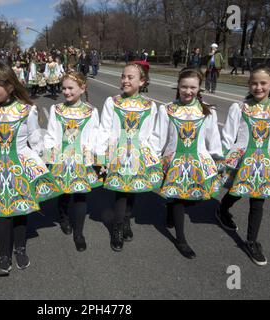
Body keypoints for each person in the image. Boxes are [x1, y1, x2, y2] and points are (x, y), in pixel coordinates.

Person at [0, 64, 62, 277]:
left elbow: (35, 139)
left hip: (20, 166)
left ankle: (20, 248)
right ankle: (4, 257)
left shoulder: (26, 110)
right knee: (1, 214)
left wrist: (37, 164)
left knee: (20, 210)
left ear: (10, 86)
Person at [217, 64, 270, 266]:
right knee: (237, 191)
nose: (258, 87)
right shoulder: (239, 108)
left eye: (263, 83)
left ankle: (251, 241)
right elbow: (228, 136)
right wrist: (222, 159)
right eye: (254, 83)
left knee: (258, 201)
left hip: (264, 161)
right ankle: (222, 210)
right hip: (242, 157)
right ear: (249, 84)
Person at [153, 68, 223, 259]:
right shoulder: (167, 109)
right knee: (179, 198)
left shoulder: (207, 110)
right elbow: (159, 136)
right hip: (174, 159)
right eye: (184, 87)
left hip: (198, 161)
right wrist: (154, 157)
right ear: (178, 86)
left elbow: (212, 138)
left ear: (199, 88)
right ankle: (181, 239)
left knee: (192, 198)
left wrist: (218, 158)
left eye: (193, 87)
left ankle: (170, 209)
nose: (188, 91)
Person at [95, 63, 163, 252]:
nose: (125, 80)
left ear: (142, 81)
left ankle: (126, 220)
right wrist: (101, 154)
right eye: (123, 76)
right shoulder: (113, 101)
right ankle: (117, 227)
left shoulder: (150, 105)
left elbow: (151, 133)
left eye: (130, 77)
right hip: (118, 151)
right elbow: (105, 129)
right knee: (121, 191)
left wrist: (152, 154)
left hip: (138, 152)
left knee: (133, 189)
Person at [44, 72, 101, 251]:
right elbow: (51, 133)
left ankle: (79, 232)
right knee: (63, 191)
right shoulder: (56, 109)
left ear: (82, 89)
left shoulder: (91, 111)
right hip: (61, 156)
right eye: (64, 88)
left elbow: (94, 134)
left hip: (81, 158)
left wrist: (92, 157)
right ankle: (63, 216)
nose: (66, 92)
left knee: (80, 194)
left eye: (70, 88)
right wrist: (49, 157)